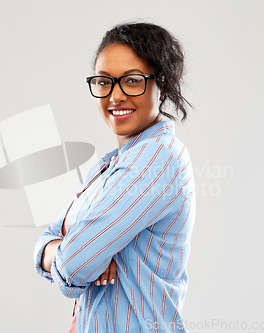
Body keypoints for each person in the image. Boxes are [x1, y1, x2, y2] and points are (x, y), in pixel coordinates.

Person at [34, 22, 196, 333]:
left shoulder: (157, 159)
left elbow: (75, 265)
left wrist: (70, 251)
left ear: (161, 84)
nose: (115, 96)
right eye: (105, 82)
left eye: (132, 81)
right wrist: (63, 249)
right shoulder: (107, 168)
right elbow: (48, 242)